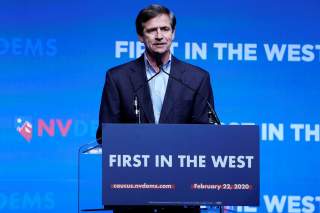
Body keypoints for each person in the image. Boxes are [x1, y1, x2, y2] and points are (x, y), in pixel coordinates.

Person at [96, 4, 219, 213]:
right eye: (152, 30)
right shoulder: (118, 78)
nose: (160, 36)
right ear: (140, 36)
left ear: (174, 33)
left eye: (165, 29)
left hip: (182, 197)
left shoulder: (197, 78)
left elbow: (205, 135)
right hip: (133, 196)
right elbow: (105, 135)